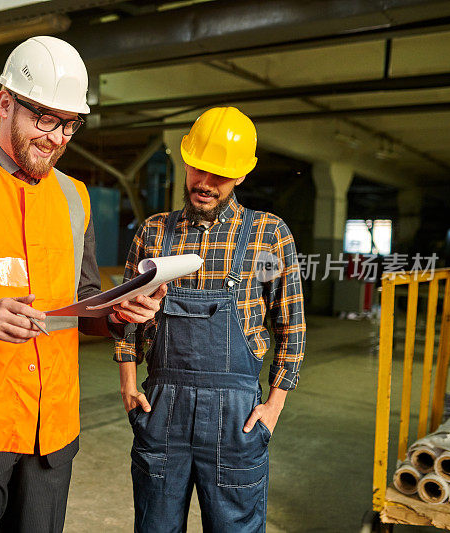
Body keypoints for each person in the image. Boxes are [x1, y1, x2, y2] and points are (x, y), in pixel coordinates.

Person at [0, 36, 165, 532]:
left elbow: (85, 299)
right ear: (5, 103)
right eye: (44, 118)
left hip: (51, 435)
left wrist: (119, 311)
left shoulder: (77, 197)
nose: (57, 137)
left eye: (69, 123)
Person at [115, 107, 306, 532]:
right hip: (162, 408)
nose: (204, 184)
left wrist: (274, 406)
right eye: (198, 169)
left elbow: (290, 327)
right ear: (186, 161)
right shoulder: (154, 233)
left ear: (241, 176)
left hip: (236, 416)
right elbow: (126, 318)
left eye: (219, 176)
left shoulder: (268, 236)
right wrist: (129, 380)